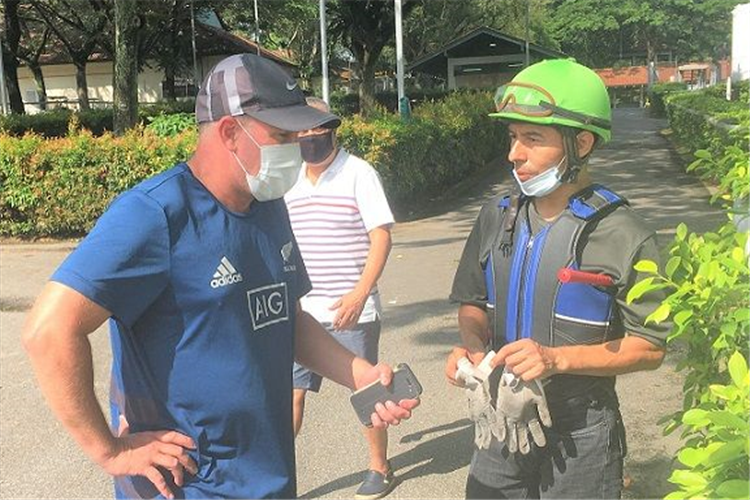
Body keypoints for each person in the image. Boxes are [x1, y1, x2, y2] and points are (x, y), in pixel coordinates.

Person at [21, 53, 417, 500]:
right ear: (231, 131)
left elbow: (281, 316)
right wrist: (110, 452)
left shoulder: (268, 207)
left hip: (268, 476)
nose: (297, 149)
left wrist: (360, 373)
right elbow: (48, 330)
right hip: (190, 484)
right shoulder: (156, 213)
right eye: (282, 135)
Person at [444, 58, 671, 500]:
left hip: (582, 432)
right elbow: (472, 303)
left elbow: (650, 348)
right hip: (503, 417)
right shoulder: (497, 216)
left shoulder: (625, 232)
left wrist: (556, 360)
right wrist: (473, 352)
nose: (515, 154)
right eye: (513, 137)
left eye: (533, 139)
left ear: (581, 143)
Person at [285, 97, 395, 500]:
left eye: (317, 129)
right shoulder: (289, 179)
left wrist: (359, 293)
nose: (310, 137)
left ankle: (379, 467)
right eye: (303, 130)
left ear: (333, 129)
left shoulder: (358, 173)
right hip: (302, 314)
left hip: (353, 310)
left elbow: (380, 236)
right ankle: (280, 476)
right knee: (291, 396)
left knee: (366, 392)